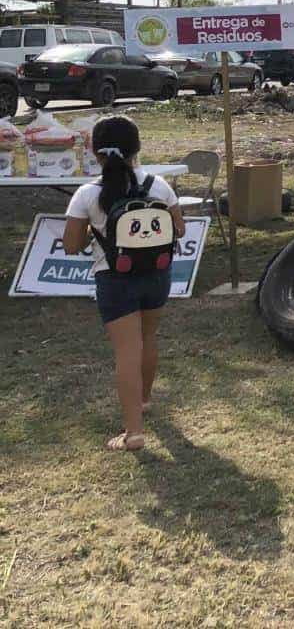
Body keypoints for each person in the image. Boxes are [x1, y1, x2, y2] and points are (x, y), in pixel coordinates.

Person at [63, 116, 184, 451]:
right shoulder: (159, 186)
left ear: (94, 152)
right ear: (137, 148)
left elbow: (71, 245)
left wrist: (95, 231)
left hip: (114, 279)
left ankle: (133, 433)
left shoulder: (87, 193)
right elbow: (180, 230)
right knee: (148, 338)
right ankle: (144, 401)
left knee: (126, 352)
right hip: (157, 276)